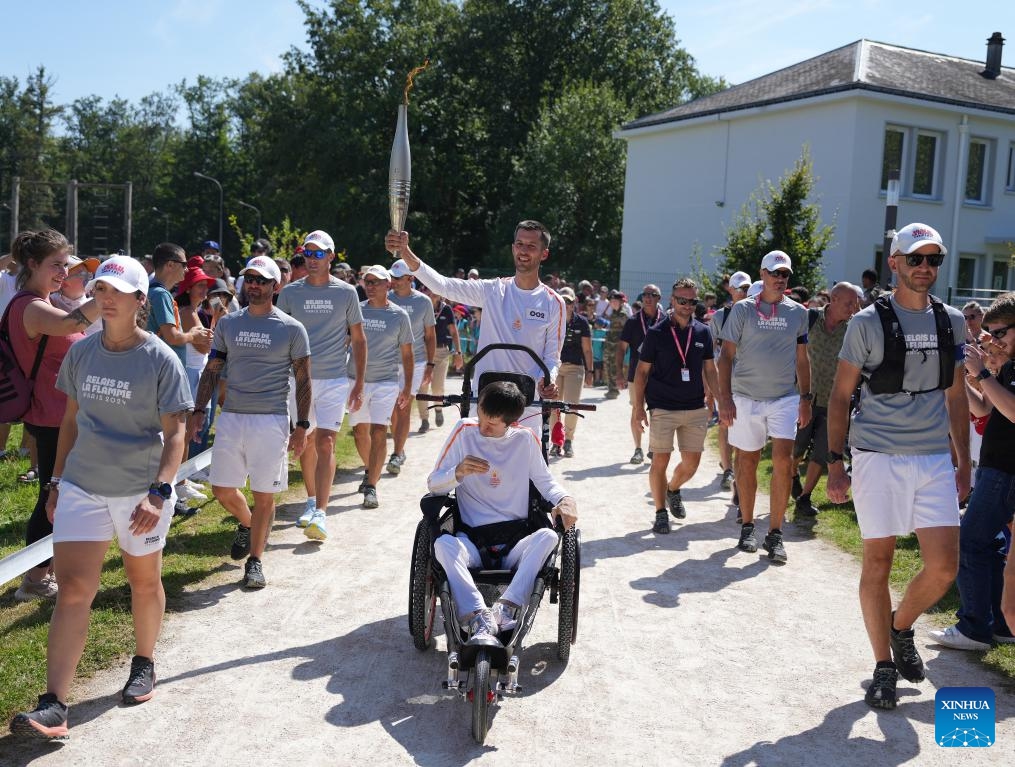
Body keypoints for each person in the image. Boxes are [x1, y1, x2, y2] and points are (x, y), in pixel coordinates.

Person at [9, 256, 192, 739]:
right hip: (82, 488)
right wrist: (55, 483)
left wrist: (159, 492)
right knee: (73, 589)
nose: (105, 297)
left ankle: (144, 661)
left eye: (117, 290)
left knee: (142, 581)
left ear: (138, 300)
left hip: (140, 491)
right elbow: (70, 422)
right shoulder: (82, 352)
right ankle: (54, 705)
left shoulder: (160, 358)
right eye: (99, 288)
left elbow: (177, 432)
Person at [826, 222, 969, 711]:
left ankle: (901, 623)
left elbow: (956, 395)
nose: (925, 268)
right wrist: (835, 462)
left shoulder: (952, 321)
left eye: (933, 260)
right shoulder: (866, 323)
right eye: (916, 259)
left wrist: (964, 461)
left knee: (945, 567)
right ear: (895, 263)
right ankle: (883, 667)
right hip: (878, 455)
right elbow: (841, 396)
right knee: (878, 562)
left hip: (931, 457)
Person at [185, 256, 312, 589]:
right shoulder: (228, 324)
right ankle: (248, 524)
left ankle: (255, 561)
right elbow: (213, 369)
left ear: (274, 286)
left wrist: (302, 426)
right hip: (233, 417)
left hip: (270, 420)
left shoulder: (291, 328)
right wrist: (198, 410)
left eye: (261, 280)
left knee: (264, 495)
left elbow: (303, 380)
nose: (254, 285)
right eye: (249, 279)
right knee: (223, 490)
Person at [429, 381, 577, 641]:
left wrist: (565, 499)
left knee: (550, 537)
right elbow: (433, 484)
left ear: (510, 423)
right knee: (442, 545)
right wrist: (457, 473)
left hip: (515, 541)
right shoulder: (464, 431)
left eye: (492, 424)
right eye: (482, 417)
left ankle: (506, 606)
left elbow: (545, 482)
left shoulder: (524, 439)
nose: (483, 427)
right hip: (472, 540)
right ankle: (476, 615)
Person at [8, 230, 104, 602]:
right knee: (52, 495)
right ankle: (33, 579)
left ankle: (45, 571)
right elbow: (72, 325)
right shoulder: (30, 306)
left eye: (66, 265)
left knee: (58, 494)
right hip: (51, 416)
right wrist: (108, 294)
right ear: (32, 264)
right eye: (56, 265)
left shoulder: (41, 301)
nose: (64, 272)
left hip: (59, 413)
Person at [385, 223, 565, 421]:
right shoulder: (492, 290)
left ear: (544, 254)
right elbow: (443, 285)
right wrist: (405, 252)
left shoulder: (554, 302)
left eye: (531, 246)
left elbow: (551, 357)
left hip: (528, 403)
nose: (523, 250)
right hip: (485, 397)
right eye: (520, 244)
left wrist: (547, 380)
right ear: (513, 248)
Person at [928, 293, 1015, 651]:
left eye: (999, 333)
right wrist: (960, 379)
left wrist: (981, 372)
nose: (992, 340)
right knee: (989, 545)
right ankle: (996, 624)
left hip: (1006, 472)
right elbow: (985, 410)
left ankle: (974, 627)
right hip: (998, 470)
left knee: (971, 539)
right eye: (990, 333)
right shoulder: (1008, 367)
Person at [717, 250, 812, 564]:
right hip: (745, 397)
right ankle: (747, 526)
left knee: (784, 461)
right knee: (747, 461)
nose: (780, 278)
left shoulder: (798, 312)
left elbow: (802, 358)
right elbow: (726, 356)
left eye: (785, 273)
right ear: (762, 274)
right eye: (775, 272)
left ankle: (775, 534)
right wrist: (726, 399)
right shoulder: (743, 310)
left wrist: (806, 398)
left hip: (784, 397)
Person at [276, 230, 366, 539]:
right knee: (308, 441)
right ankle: (311, 500)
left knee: (326, 441)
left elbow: (358, 339)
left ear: (331, 256)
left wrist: (359, 382)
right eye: (307, 254)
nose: (312, 260)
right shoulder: (289, 293)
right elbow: (280, 335)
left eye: (318, 254)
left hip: (335, 380)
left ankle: (321, 513)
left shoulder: (347, 292)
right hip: (298, 380)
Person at [632, 279, 719, 534]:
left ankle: (673, 489)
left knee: (692, 464)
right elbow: (641, 373)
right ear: (672, 300)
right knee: (661, 459)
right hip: (662, 406)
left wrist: (717, 398)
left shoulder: (703, 332)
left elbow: (710, 369)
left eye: (692, 301)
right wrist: (639, 408)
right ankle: (660, 512)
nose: (687, 305)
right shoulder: (657, 333)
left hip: (694, 406)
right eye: (682, 300)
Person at [147, 243, 213, 505]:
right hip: (165, 374)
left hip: (158, 372)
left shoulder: (153, 291)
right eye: (184, 264)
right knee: (172, 435)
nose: (187, 270)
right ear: (171, 264)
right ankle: (168, 494)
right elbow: (173, 336)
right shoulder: (161, 294)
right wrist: (192, 335)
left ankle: (172, 489)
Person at [790, 282, 860, 518]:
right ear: (835, 299)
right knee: (796, 447)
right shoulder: (809, 319)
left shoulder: (853, 330)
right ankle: (791, 477)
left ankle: (805, 497)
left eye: (856, 303)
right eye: (849, 302)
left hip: (834, 402)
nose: (854, 307)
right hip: (804, 397)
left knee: (822, 451)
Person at [348, 265, 413, 508]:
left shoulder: (399, 315)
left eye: (377, 282)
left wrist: (406, 387)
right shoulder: (356, 311)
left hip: (386, 382)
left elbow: (407, 354)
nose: (371, 286)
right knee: (358, 431)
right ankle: (369, 469)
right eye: (368, 281)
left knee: (378, 431)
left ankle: (372, 486)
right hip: (355, 380)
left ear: (389, 285)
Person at [386, 259, 436, 470]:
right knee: (392, 409)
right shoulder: (385, 298)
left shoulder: (423, 302)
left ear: (410, 279)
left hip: (414, 363)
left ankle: (397, 453)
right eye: (393, 277)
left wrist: (431, 365)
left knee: (403, 407)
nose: (394, 281)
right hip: (387, 361)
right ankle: (400, 446)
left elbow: (430, 335)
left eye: (398, 278)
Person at [176, 262, 221, 461]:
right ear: (189, 288)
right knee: (186, 431)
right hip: (191, 375)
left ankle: (185, 477)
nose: (205, 289)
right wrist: (218, 321)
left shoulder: (192, 311)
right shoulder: (187, 312)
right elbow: (205, 348)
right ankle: (181, 480)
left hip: (197, 372)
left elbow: (206, 345)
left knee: (193, 430)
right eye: (200, 285)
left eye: (206, 285)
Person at [710, 271, 752, 490]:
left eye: (747, 288)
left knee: (745, 427)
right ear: (731, 290)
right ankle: (728, 471)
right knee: (726, 424)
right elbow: (709, 352)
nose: (745, 292)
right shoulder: (720, 316)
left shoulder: (757, 313)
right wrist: (710, 388)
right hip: (725, 381)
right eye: (741, 289)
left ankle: (739, 469)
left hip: (750, 383)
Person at [617, 284, 663, 464]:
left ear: (659, 298)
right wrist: (619, 374)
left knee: (657, 413)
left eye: (652, 294)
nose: (647, 297)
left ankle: (654, 447)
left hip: (660, 375)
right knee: (637, 409)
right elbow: (621, 348)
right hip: (636, 376)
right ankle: (638, 449)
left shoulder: (666, 320)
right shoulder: (633, 321)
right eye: (645, 294)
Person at [548, 287, 593, 458]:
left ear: (574, 303)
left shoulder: (581, 322)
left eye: (569, 301)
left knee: (572, 405)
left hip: (575, 367)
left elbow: (587, 349)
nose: (566, 304)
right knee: (553, 406)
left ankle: (568, 441)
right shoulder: (552, 319)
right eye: (562, 300)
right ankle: (555, 441)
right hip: (555, 367)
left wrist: (590, 371)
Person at [416, 289, 464, 429]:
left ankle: (438, 409)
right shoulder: (422, 307)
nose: (433, 293)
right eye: (429, 291)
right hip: (423, 352)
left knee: (437, 387)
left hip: (442, 352)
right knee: (422, 388)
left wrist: (458, 353)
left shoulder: (446, 309)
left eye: (435, 291)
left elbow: (454, 332)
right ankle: (424, 420)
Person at [603, 291, 629, 400]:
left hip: (617, 346)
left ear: (621, 302)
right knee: (608, 366)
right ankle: (611, 388)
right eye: (611, 301)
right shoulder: (614, 313)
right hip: (610, 344)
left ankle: (614, 390)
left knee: (614, 367)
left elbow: (627, 332)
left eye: (614, 301)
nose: (612, 303)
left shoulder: (623, 314)